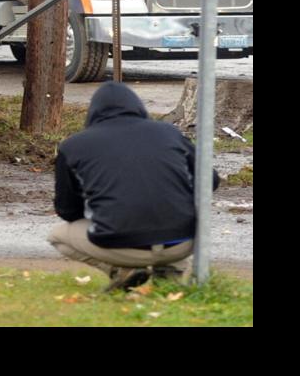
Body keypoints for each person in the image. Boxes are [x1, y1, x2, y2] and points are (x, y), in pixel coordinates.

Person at [49, 81, 216, 290]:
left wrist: (100, 205)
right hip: (182, 244)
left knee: (57, 236)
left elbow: (67, 210)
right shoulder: (169, 133)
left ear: (92, 112)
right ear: (138, 106)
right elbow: (210, 181)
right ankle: (169, 276)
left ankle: (121, 270)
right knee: (170, 210)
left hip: (121, 244)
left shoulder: (73, 146)